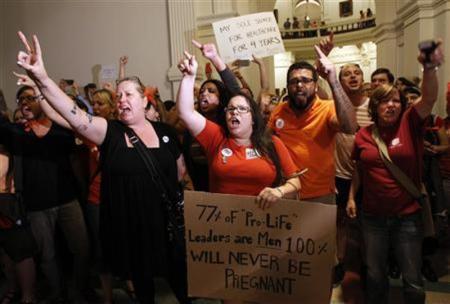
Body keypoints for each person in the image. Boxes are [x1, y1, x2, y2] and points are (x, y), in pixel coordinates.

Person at [16, 32, 190, 304]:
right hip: (131, 227)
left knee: (180, 280)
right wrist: (42, 77)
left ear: (144, 100)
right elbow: (72, 112)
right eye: (118, 95)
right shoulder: (108, 131)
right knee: (144, 286)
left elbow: (180, 172)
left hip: (164, 224)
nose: (121, 99)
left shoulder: (165, 131)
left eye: (128, 94)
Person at [346, 39, 444, 304]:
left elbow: (430, 97)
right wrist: (352, 197)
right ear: (375, 107)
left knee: (412, 279)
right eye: (385, 102)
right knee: (376, 276)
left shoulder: (410, 123)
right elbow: (359, 169)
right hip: (372, 218)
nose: (392, 105)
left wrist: (430, 69)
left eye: (396, 101)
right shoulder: (364, 136)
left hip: (407, 219)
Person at [177, 47, 300, 208]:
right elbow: (185, 112)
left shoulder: (273, 143)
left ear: (253, 119)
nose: (235, 112)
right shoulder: (216, 137)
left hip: (262, 222)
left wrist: (280, 191)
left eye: (242, 109)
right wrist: (189, 77)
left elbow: (296, 182)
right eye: (231, 109)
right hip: (224, 222)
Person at [269, 34, 357, 203]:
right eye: (294, 82)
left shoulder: (327, 107)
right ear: (288, 87)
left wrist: (333, 80)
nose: (299, 85)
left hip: (321, 193)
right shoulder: (279, 111)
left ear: (316, 86)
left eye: (305, 80)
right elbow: (267, 142)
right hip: (286, 192)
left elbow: (350, 127)